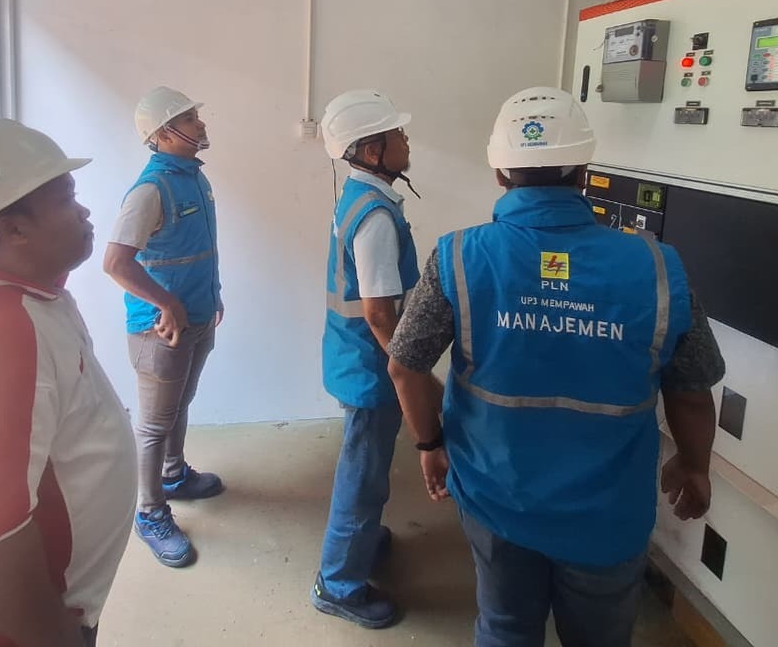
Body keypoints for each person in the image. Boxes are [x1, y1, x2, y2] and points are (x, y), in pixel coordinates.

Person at [387, 87, 725, 647]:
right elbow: (691, 391)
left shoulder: (457, 257)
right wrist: (694, 464)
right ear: (584, 171)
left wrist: (430, 444)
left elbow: (404, 366)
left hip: (495, 496)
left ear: (499, 172)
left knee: (505, 627)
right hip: (608, 512)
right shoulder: (657, 266)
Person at [0, 119, 137, 647]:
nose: (83, 212)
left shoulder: (34, 298)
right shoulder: (0, 341)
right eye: (68, 198)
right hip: (16, 632)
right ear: (13, 230)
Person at [310, 89, 420, 630]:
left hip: (354, 354)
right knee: (363, 473)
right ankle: (338, 584)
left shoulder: (359, 193)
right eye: (398, 134)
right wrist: (407, 372)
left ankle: (362, 539)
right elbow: (378, 313)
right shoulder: (375, 216)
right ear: (372, 151)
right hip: (372, 365)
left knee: (368, 464)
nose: (406, 139)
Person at [102, 86, 224, 569]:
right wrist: (167, 302)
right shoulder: (151, 190)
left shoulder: (194, 178)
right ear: (164, 133)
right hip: (159, 330)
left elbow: (198, 249)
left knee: (179, 406)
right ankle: (150, 513)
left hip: (197, 317)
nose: (200, 124)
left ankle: (174, 475)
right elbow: (116, 263)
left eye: (195, 116)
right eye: (189, 118)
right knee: (154, 425)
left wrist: (213, 295)